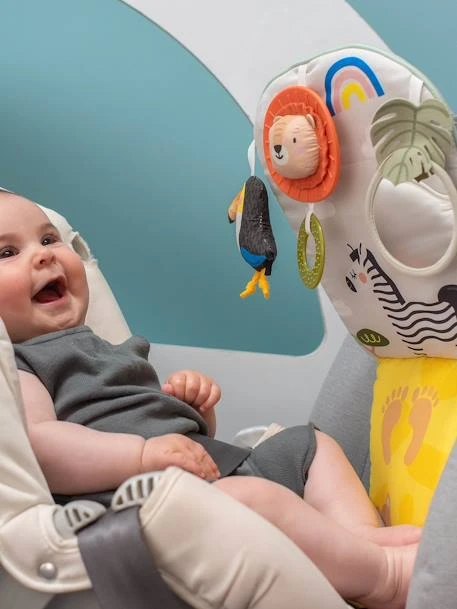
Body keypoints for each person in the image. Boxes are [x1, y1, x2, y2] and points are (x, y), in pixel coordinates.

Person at [1, 191, 418, 609]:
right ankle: (384, 578)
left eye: (49, 239)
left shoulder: (112, 348)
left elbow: (181, 434)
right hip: (158, 507)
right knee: (252, 502)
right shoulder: (21, 366)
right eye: (7, 253)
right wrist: (141, 457)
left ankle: (357, 541)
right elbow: (41, 447)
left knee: (310, 446)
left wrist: (195, 409)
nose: (43, 255)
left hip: (215, 469)